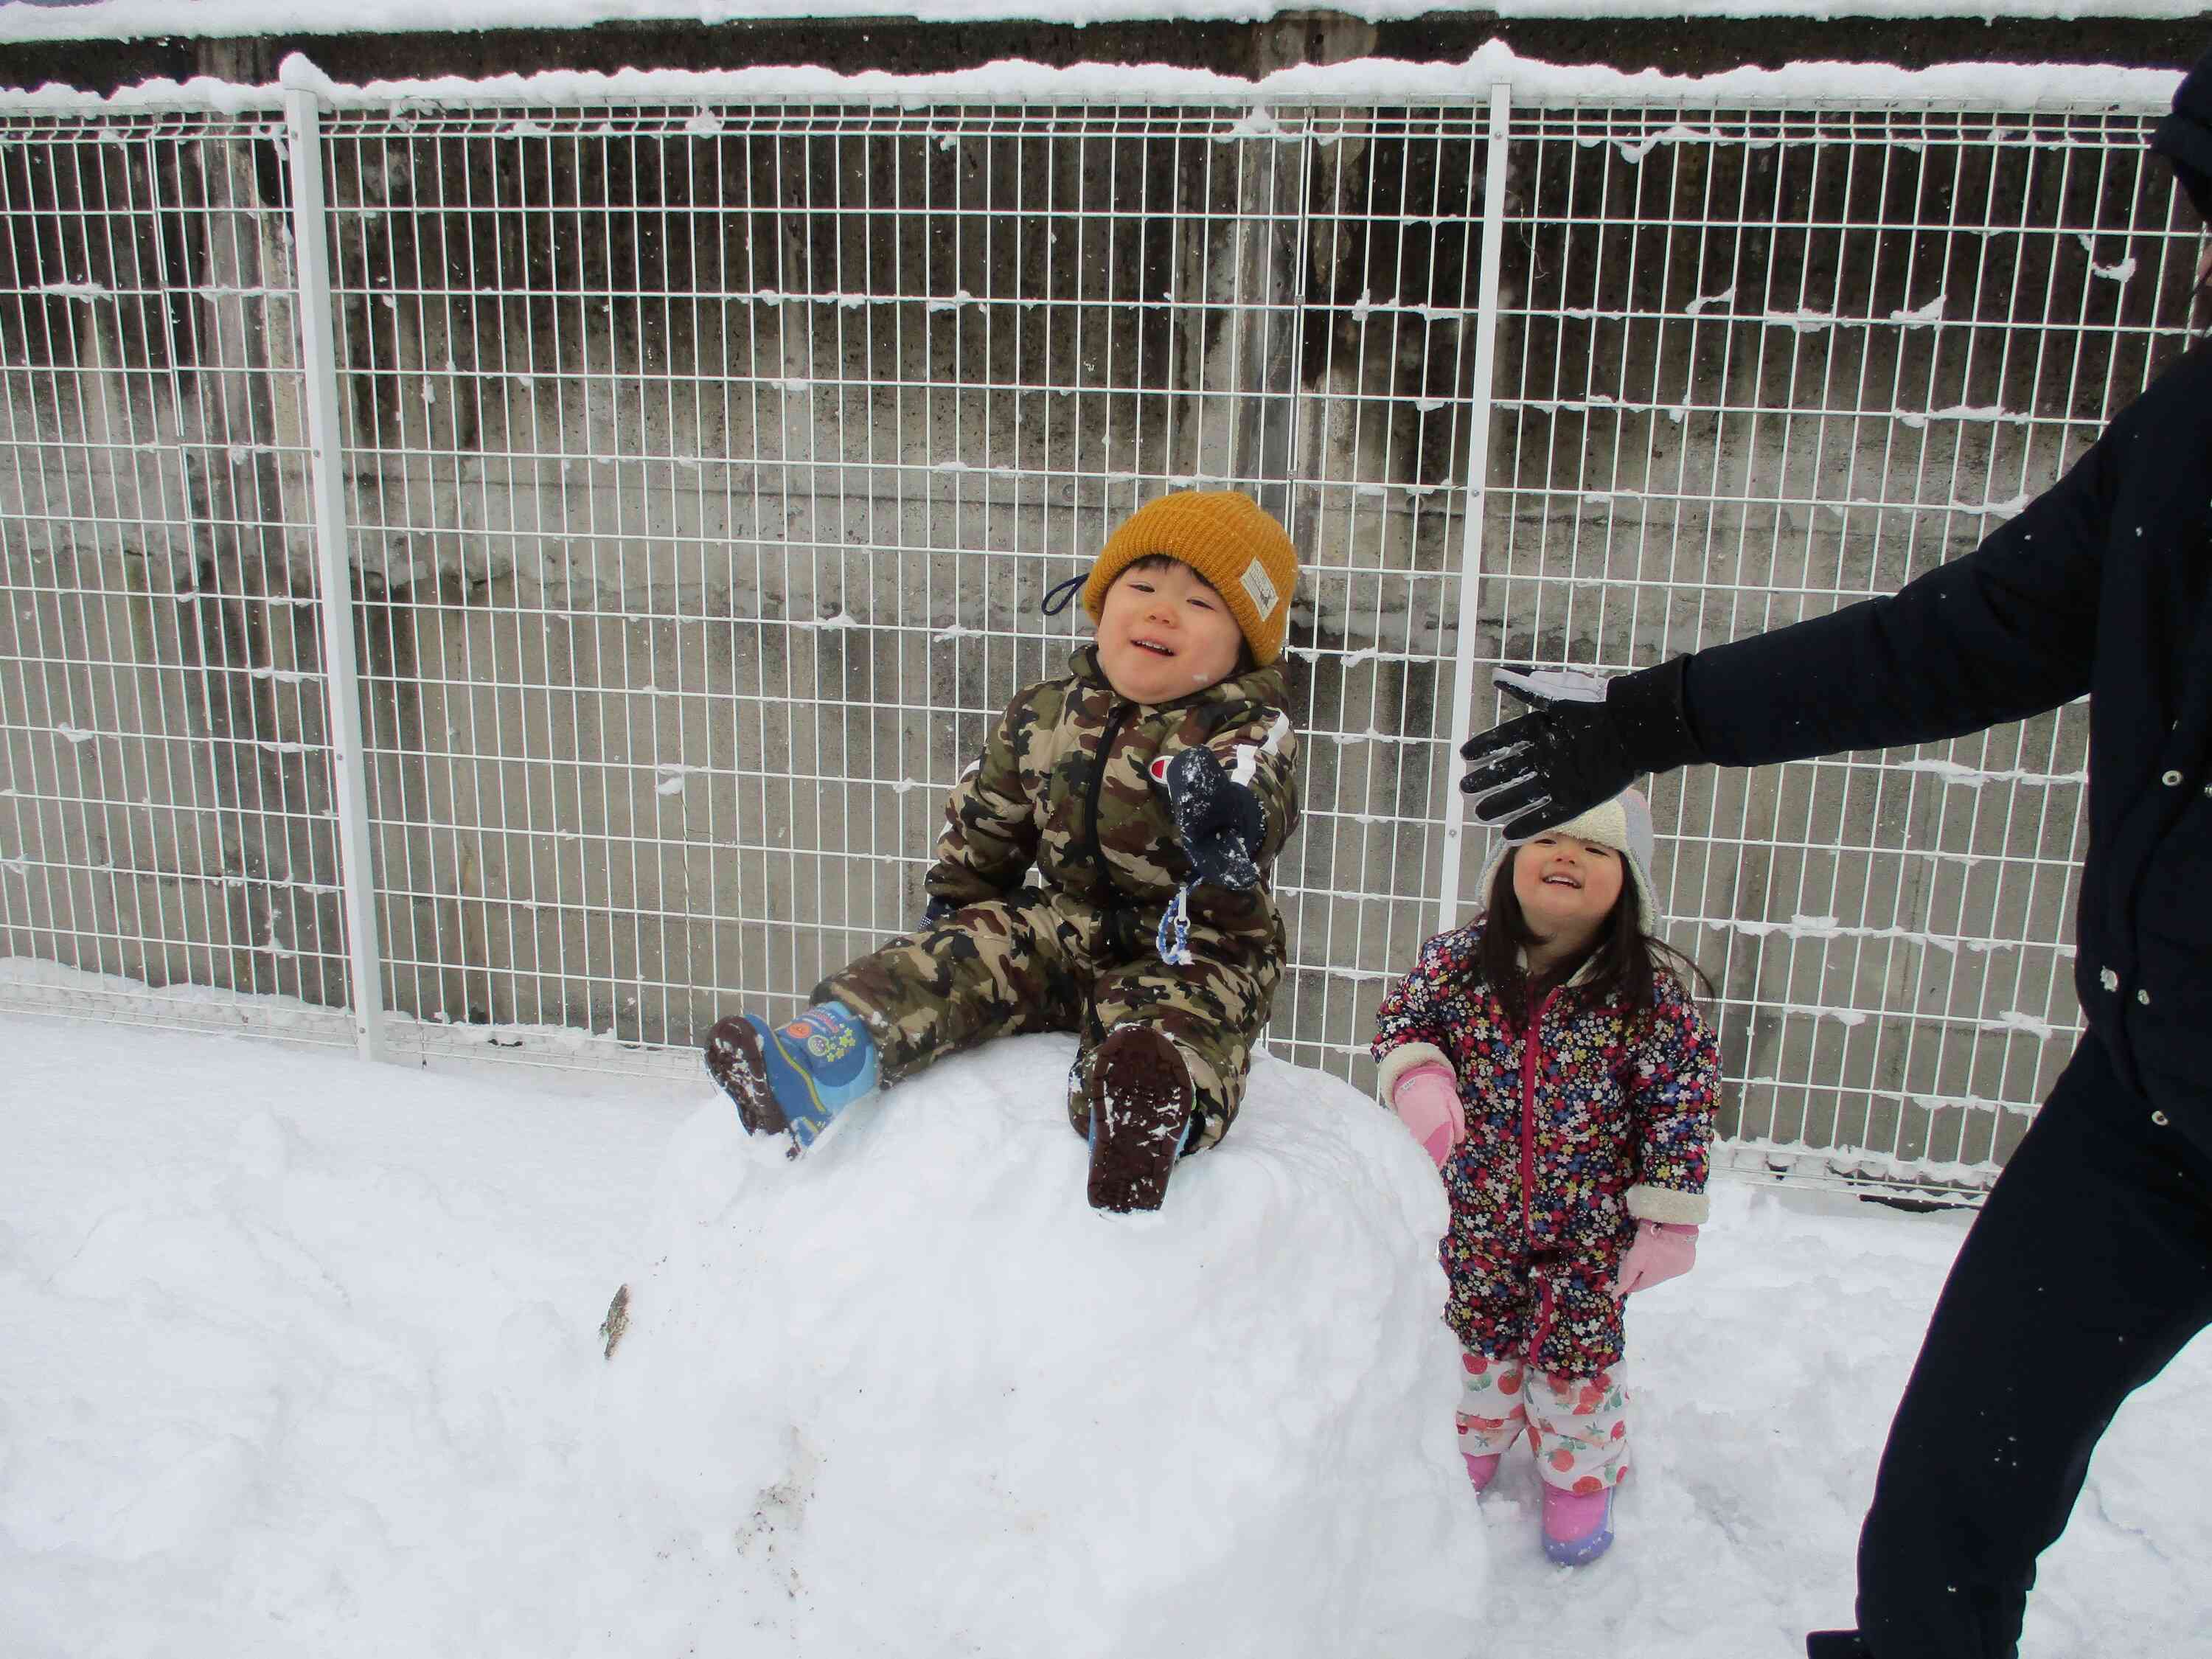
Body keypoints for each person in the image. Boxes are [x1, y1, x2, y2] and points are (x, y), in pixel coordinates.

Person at [1453, 53, 2212, 1654]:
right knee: (1955, 1495)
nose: (2203, 258)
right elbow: (1962, 637)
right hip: (2157, 1101)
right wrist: (1660, 715)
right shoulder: (2193, 434)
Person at [702, 490, 1301, 1214]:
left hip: (1193, 944)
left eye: (1200, 604)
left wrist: (1221, 814)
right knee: (959, 955)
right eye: (1140, 588)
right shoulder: (1044, 712)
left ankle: (1146, 1115)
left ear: (1243, 643)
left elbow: (1257, 798)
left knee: (1177, 1015)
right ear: (1101, 603)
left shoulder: (1245, 730)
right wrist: (955, 913)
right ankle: (819, 1059)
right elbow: (989, 821)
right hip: (1063, 926)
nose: (1160, 612)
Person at [1371, 788, 1720, 1566]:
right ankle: (1469, 1445)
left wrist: (1669, 1218)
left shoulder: (1650, 998)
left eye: (1596, 849)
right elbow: (1404, 1024)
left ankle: (1577, 1475)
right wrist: (1420, 1077)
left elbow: (1681, 1103)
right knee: (1474, 1340)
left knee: (1577, 1361)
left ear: (1627, 885)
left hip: (1592, 1231)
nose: (1568, 855)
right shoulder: (1456, 963)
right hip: (1477, 1214)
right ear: (1507, 865)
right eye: (1548, 839)